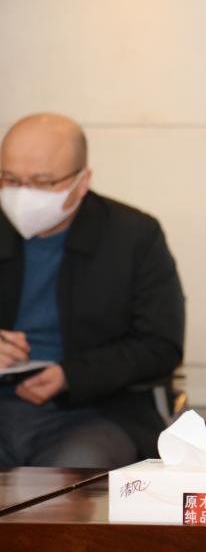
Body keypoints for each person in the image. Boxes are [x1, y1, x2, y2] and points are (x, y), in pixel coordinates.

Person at [0, 113, 185, 468]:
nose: (23, 195)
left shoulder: (133, 236)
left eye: (41, 182)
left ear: (81, 181)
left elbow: (161, 344)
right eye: (10, 180)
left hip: (96, 412)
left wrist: (71, 375)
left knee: (77, 471)